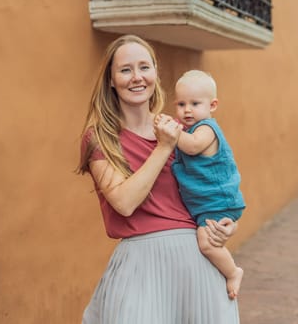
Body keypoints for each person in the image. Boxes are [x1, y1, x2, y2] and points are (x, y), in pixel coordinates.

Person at [77, 35, 240, 324]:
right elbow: (125, 203)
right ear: (111, 80)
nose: (137, 77)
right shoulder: (100, 138)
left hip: (194, 263)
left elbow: (214, 183)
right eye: (125, 69)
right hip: (139, 264)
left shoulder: (182, 130)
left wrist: (225, 223)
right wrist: (164, 146)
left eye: (144, 67)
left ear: (154, 73)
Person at [157, 70, 245, 300]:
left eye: (195, 103)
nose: (187, 110)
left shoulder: (206, 129)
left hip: (217, 201)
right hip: (206, 204)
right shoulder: (187, 131)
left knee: (207, 244)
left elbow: (193, 146)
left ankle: (233, 272)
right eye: (181, 104)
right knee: (206, 242)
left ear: (212, 105)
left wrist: (171, 131)